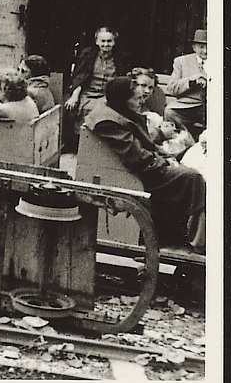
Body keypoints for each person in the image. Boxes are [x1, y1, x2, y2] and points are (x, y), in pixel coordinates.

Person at [83, 76, 206, 252]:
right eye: (137, 99)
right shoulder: (109, 122)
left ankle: (177, 231)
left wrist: (164, 154)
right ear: (124, 100)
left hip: (143, 167)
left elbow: (143, 147)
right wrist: (164, 162)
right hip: (138, 176)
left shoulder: (118, 110)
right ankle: (197, 241)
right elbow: (136, 159)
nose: (141, 102)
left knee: (186, 163)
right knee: (193, 177)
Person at [66, 26, 128, 150]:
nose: (106, 44)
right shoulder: (88, 55)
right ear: (97, 41)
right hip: (88, 93)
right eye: (103, 41)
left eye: (109, 41)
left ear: (114, 42)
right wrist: (74, 95)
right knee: (72, 107)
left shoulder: (121, 57)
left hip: (108, 95)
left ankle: (98, 147)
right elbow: (79, 77)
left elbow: (124, 81)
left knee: (101, 111)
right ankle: (77, 145)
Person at [164, 29, 208, 136]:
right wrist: (191, 80)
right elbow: (171, 88)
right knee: (170, 112)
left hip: (210, 106)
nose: (205, 51)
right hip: (187, 107)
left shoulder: (219, 61)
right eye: (201, 47)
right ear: (194, 47)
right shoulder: (181, 61)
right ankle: (182, 141)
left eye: (208, 46)